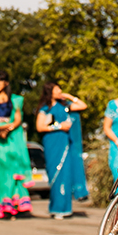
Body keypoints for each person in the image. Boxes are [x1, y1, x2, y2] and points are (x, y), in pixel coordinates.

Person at [0, 70, 33, 219]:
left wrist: (7, 128)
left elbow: (17, 119)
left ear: (6, 83)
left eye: (0, 80)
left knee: (10, 171)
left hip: (9, 139)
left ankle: (12, 205)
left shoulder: (14, 100)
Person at [35, 82, 87, 219]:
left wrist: (69, 96)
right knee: (55, 174)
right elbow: (40, 127)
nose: (60, 91)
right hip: (53, 143)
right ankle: (56, 207)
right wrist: (58, 127)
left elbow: (83, 106)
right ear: (49, 92)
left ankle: (64, 208)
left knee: (66, 174)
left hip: (65, 143)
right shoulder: (45, 109)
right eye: (57, 89)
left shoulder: (65, 107)